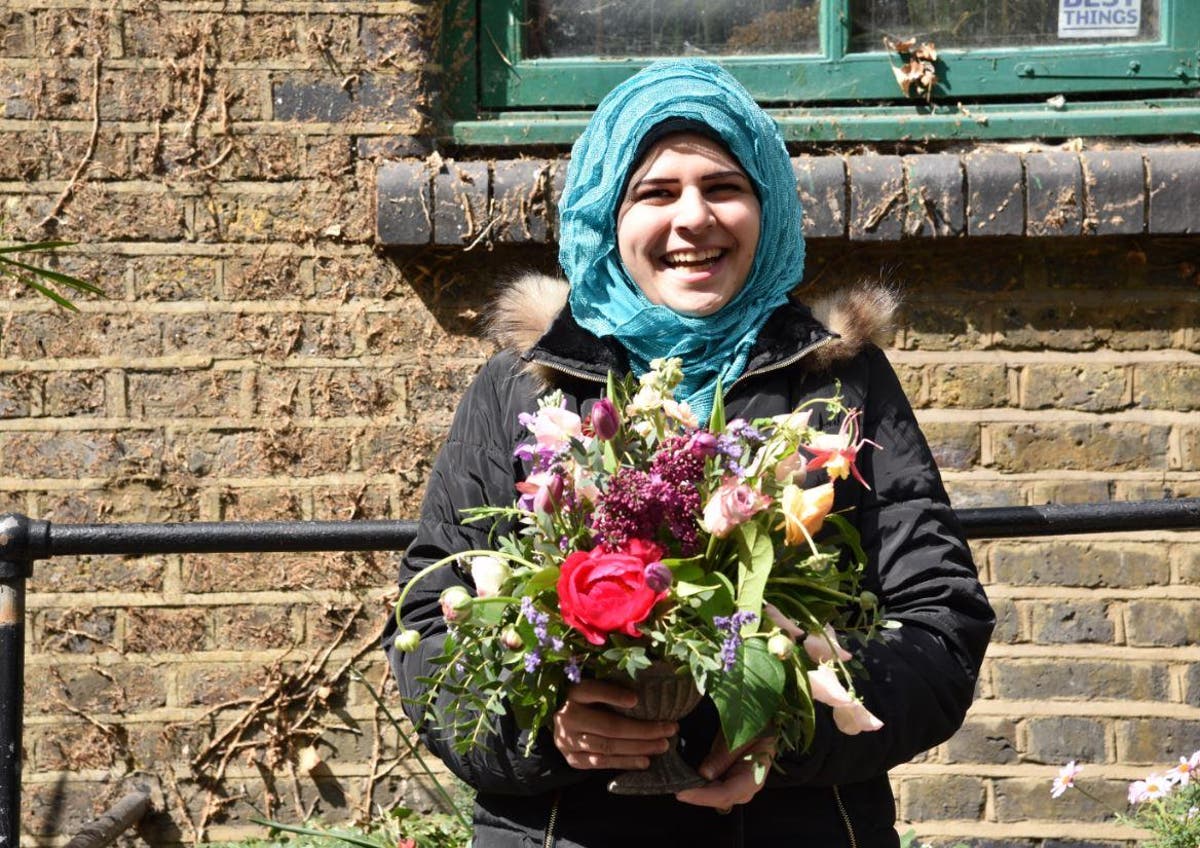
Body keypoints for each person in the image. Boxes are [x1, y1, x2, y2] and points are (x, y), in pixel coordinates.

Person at [383, 59, 994, 847]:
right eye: (656, 193)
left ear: (765, 205)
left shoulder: (837, 383)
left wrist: (791, 723)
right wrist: (547, 731)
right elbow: (431, 618)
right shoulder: (524, 383)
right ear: (607, 211)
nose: (693, 219)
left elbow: (939, 620)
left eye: (724, 188)